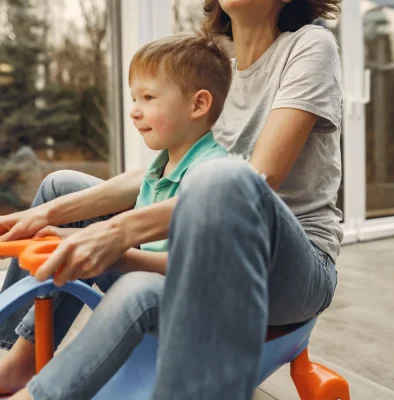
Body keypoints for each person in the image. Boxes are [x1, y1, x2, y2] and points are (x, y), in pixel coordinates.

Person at [0, 0, 343, 399]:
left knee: (226, 178)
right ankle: (16, 360)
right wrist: (44, 212)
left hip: (292, 265)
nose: (136, 110)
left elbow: (254, 183)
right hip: (207, 240)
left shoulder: (310, 46)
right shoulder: (224, 75)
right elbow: (163, 174)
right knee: (60, 186)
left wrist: (117, 235)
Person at [0, 34, 231, 399]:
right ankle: (10, 353)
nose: (134, 111)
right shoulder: (162, 163)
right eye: (133, 98)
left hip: (182, 300)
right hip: (144, 271)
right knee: (62, 218)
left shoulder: (212, 174)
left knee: (74, 247)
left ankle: (18, 367)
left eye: (149, 98)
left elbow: (199, 270)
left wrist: (104, 250)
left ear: (198, 104)